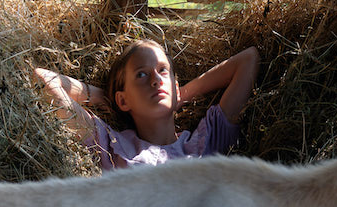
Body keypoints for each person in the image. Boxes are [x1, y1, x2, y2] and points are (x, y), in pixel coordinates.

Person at [35, 40, 259, 171]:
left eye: (163, 70)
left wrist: (180, 94)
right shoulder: (111, 145)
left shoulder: (206, 142)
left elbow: (249, 60)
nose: (156, 80)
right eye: (141, 74)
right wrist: (107, 98)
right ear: (123, 100)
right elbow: (43, 79)